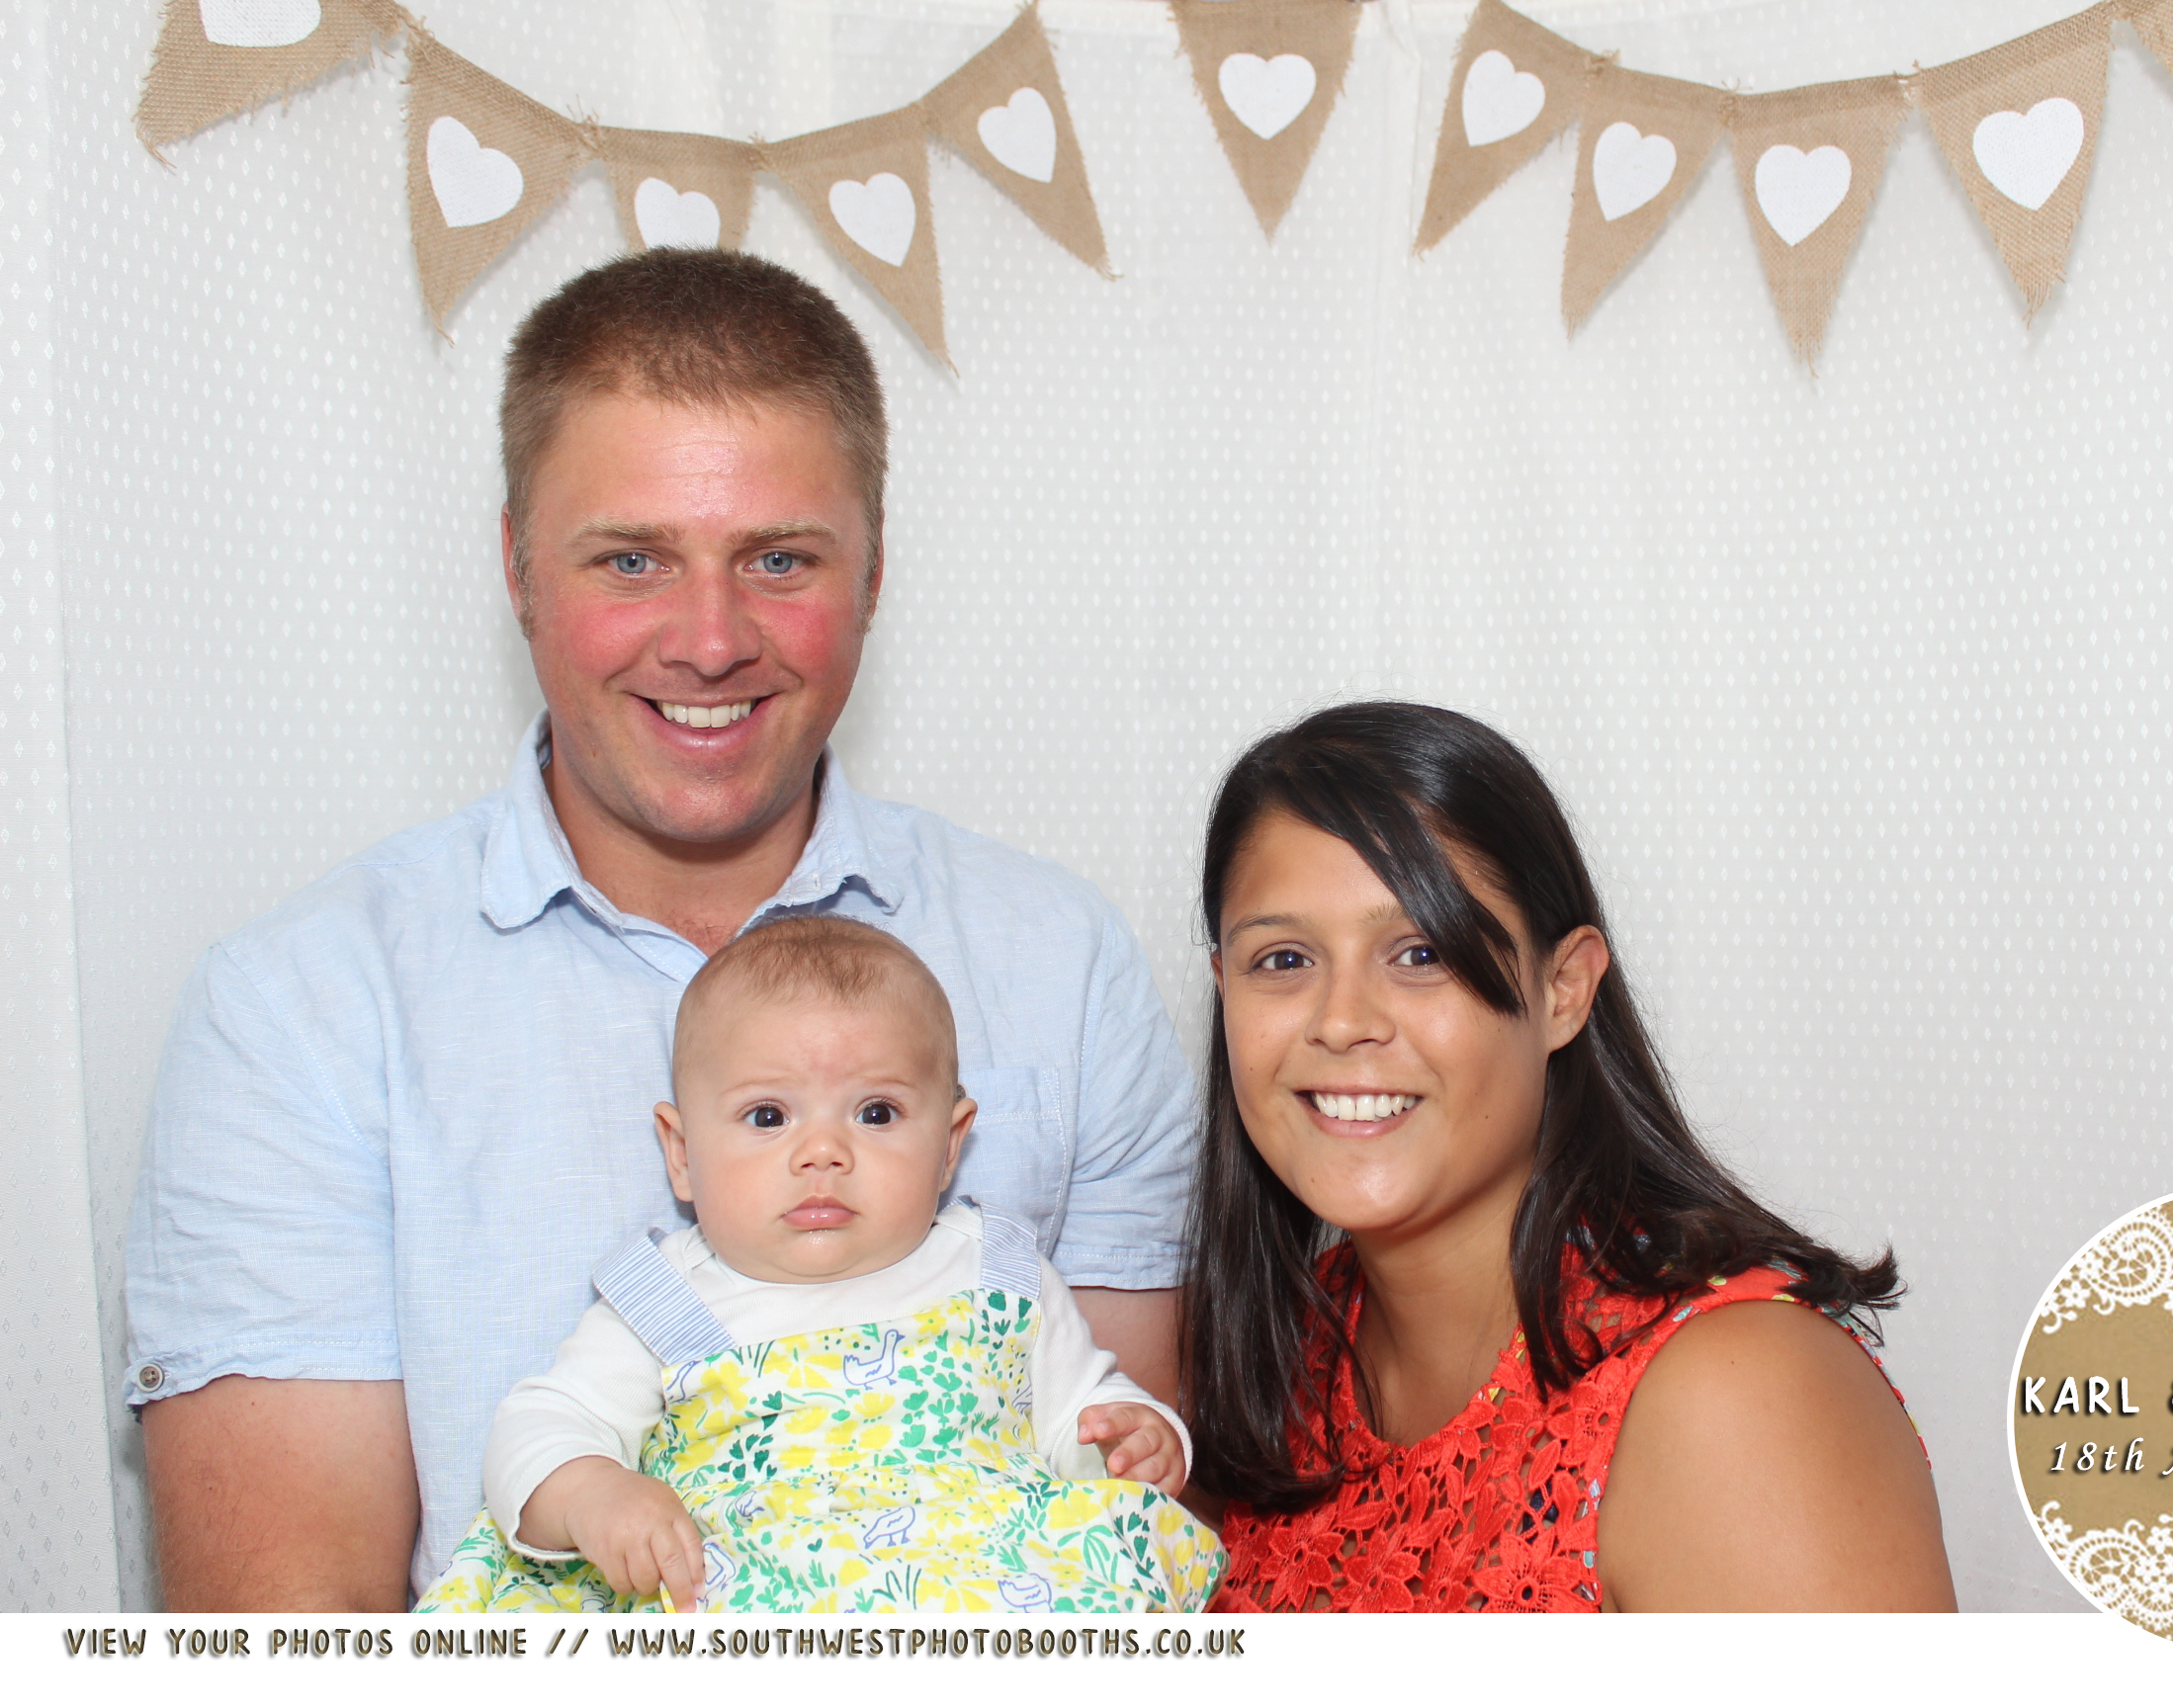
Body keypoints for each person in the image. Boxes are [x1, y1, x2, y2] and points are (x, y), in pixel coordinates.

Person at [124, 250, 1193, 1610]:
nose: (708, 640)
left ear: (874, 570)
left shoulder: (1069, 966)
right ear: (517, 564)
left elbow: (1121, 1542)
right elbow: (290, 1640)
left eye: (780, 559)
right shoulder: (299, 1011)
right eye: (631, 558)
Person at [1181, 703, 1957, 1611]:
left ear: (1565, 988)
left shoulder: (1735, 1396)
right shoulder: (1275, 1369)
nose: (1342, 1021)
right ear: (1223, 990)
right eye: (1282, 960)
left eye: (1421, 951)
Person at [419, 918, 1221, 1615]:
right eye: (767, 1117)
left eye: (876, 1114)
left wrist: (1135, 1438)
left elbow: (1079, 1415)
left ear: (949, 1143)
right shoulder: (666, 1301)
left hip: (980, 1586)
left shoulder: (995, 1275)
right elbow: (539, 1427)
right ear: (682, 1154)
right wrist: (594, 1493)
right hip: (747, 1587)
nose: (824, 1154)